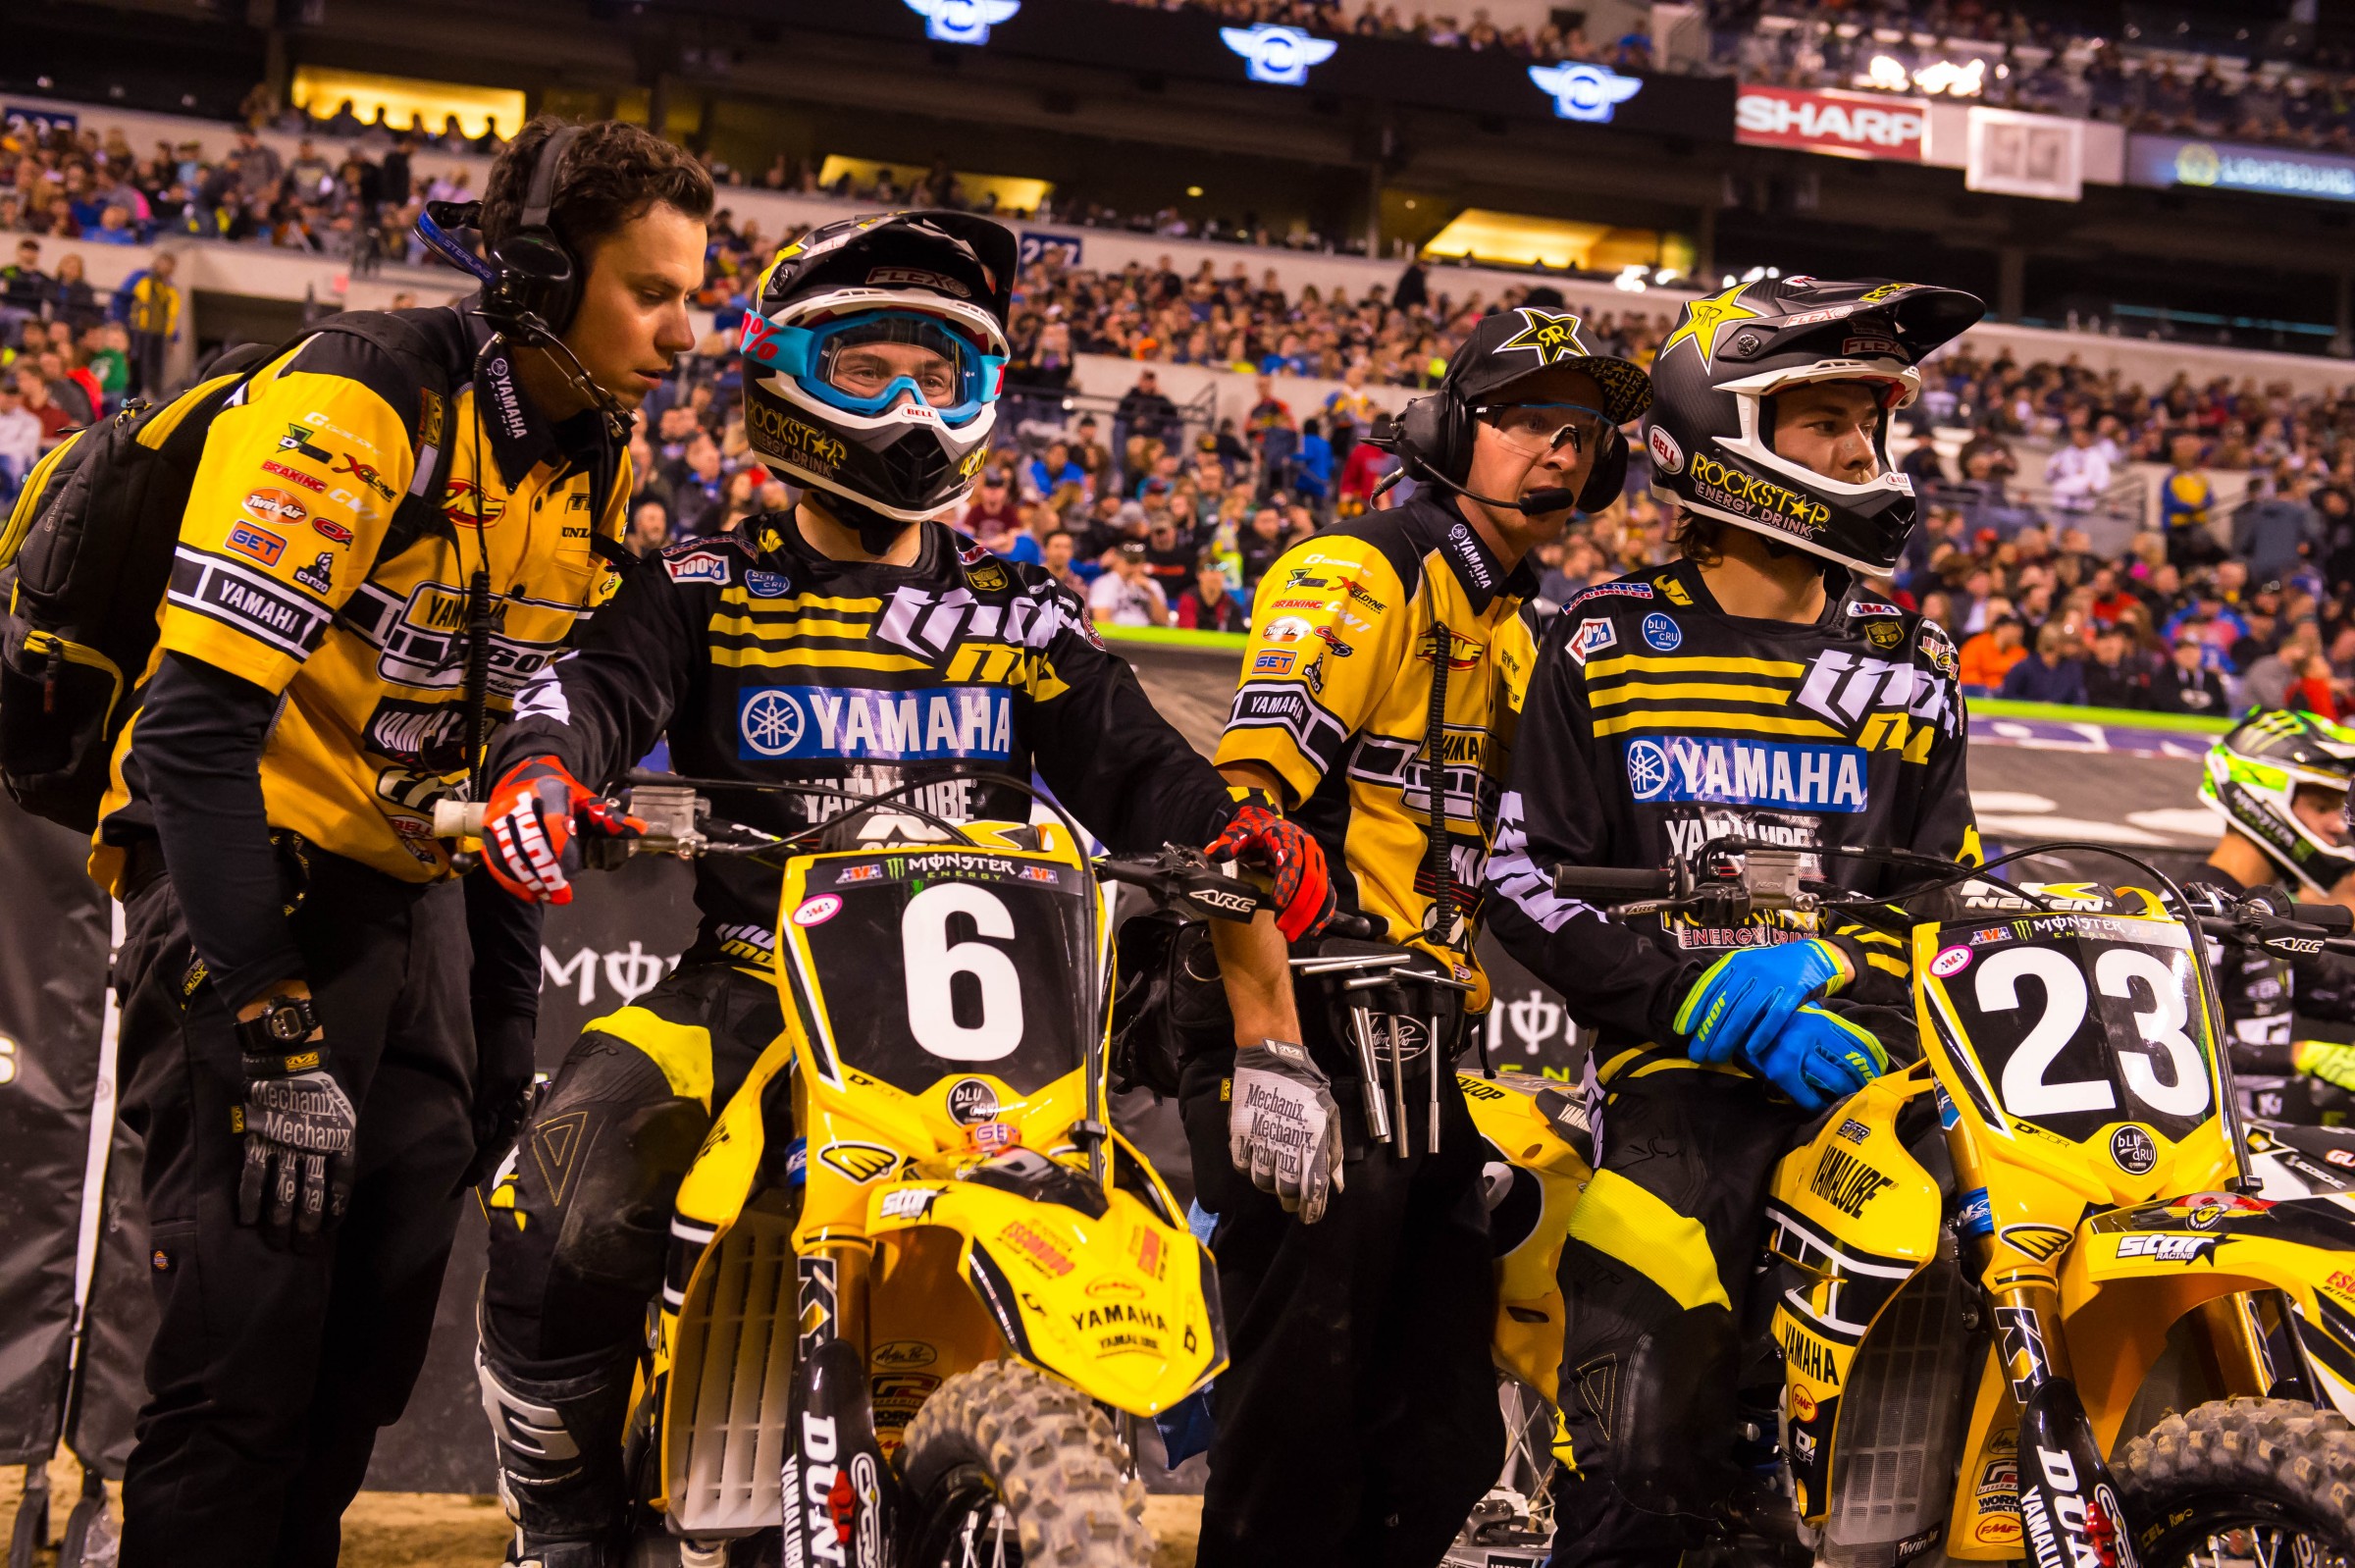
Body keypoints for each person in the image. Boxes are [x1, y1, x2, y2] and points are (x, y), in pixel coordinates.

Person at [464, 209, 1330, 1567]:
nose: (913, 407)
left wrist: (1239, 831)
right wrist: (538, 767)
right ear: (783, 374)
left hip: (999, 1023)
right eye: (869, 369)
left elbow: (1143, 765)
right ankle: (566, 1522)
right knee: (566, 1187)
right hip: (762, 973)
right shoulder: (705, 582)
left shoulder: (1020, 610)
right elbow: (589, 691)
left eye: (944, 374)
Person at [89, 118, 710, 1568]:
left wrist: (503, 1039)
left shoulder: (594, 466)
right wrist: (275, 1029)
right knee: (241, 1366)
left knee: (360, 1364)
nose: (689, 333)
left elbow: (497, 767)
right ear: (547, 277)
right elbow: (188, 738)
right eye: (654, 292)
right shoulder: (358, 404)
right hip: (245, 885)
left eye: (693, 293)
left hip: (410, 897)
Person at [1483, 277, 1984, 1568]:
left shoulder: (1908, 661)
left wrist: (1841, 972)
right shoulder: (1606, 638)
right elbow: (1522, 871)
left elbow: (1948, 899)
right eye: (1826, 420)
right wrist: (1687, 996)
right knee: (1642, 1462)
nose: (1863, 454)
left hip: (1870, 1085)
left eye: (1871, 423)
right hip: (1671, 1093)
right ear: (1730, 436)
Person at [1190, 304, 1654, 1568]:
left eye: (1582, 434)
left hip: (1417, 1042)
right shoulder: (1357, 573)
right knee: (1303, 1414)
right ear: (1452, 428)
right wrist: (1268, 1047)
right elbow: (1239, 831)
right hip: (1300, 1017)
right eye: (1524, 421)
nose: (1558, 454)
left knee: (1441, 1431)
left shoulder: (1515, 629)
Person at [2189, 712, 2355, 1099]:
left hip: (2256, 1149)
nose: (2338, 825)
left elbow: (2335, 992)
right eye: (2321, 806)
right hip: (2207, 1150)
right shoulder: (2192, 911)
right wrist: (2300, 1056)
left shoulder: (2267, 909)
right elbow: (2169, 1049)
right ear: (2262, 798)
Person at [112, 249, 181, 398]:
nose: (167, 269)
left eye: (171, 266)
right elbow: (121, 299)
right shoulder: (140, 278)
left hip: (159, 337)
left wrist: (173, 338)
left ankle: (152, 407)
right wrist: (118, 321)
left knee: (155, 375)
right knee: (134, 372)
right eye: (165, 263)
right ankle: (125, 405)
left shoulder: (170, 288)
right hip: (138, 332)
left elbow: (171, 316)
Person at [1998, 621, 2087, 704]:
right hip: (2027, 718)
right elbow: (2007, 696)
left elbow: (2078, 700)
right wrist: (2035, 706)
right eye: (2065, 642)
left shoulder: (2071, 670)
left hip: (2061, 719)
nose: (2069, 646)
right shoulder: (2024, 668)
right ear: (2056, 645)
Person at [2151, 634, 2229, 714]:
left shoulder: (2212, 680)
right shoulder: (2164, 678)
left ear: (2200, 653)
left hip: (2205, 726)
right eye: (2184, 650)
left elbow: (2222, 709)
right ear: (2176, 654)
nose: (2189, 654)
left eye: (2193, 649)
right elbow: (2161, 706)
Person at [1176, 554, 1245, 631]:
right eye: (1211, 570)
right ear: (1199, 574)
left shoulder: (1230, 604)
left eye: (1220, 571)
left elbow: (1236, 634)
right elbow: (1187, 632)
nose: (1216, 575)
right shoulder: (1189, 599)